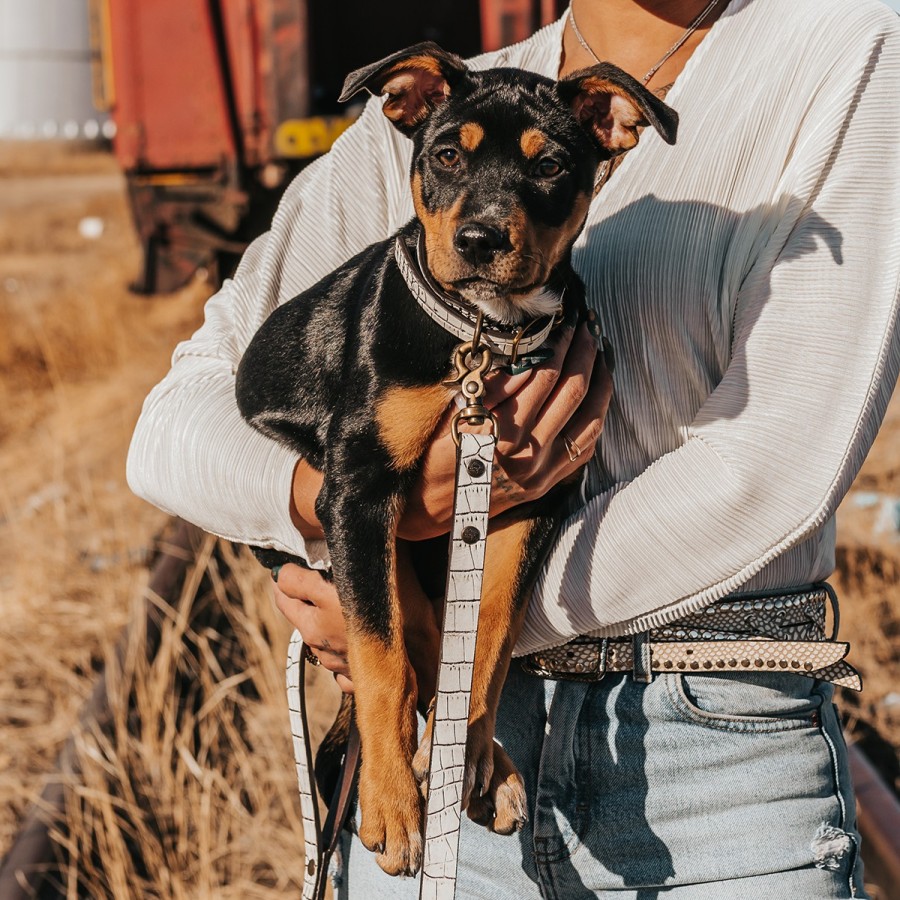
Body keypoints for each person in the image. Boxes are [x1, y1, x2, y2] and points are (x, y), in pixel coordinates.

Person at [127, 0, 900, 896]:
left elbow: (763, 479)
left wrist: (451, 640)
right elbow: (170, 428)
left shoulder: (850, 49)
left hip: (707, 770)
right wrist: (338, 504)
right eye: (453, 170)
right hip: (429, 776)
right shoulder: (448, 103)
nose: (486, 217)